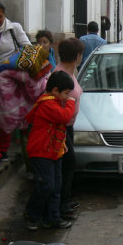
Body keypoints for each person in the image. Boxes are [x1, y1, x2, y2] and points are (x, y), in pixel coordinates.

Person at [24, 71, 76, 231]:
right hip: (41, 152)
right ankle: (31, 215)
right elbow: (63, 118)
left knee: (55, 186)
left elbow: (55, 127)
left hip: (53, 151)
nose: (68, 97)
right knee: (45, 185)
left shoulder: (53, 102)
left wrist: (62, 144)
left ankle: (52, 218)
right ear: (55, 90)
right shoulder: (48, 104)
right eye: (66, 93)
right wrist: (71, 103)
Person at [0, 2, 31, 168]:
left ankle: (4, 149)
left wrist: (11, 62)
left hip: (9, 81)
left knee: (7, 115)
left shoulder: (14, 28)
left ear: (4, 15)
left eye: (0, 16)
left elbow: (27, 48)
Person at [54, 38, 84, 220]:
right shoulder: (61, 76)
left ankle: (65, 199)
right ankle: (61, 203)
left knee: (68, 164)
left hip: (67, 126)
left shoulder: (69, 72)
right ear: (78, 56)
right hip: (60, 128)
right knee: (67, 164)